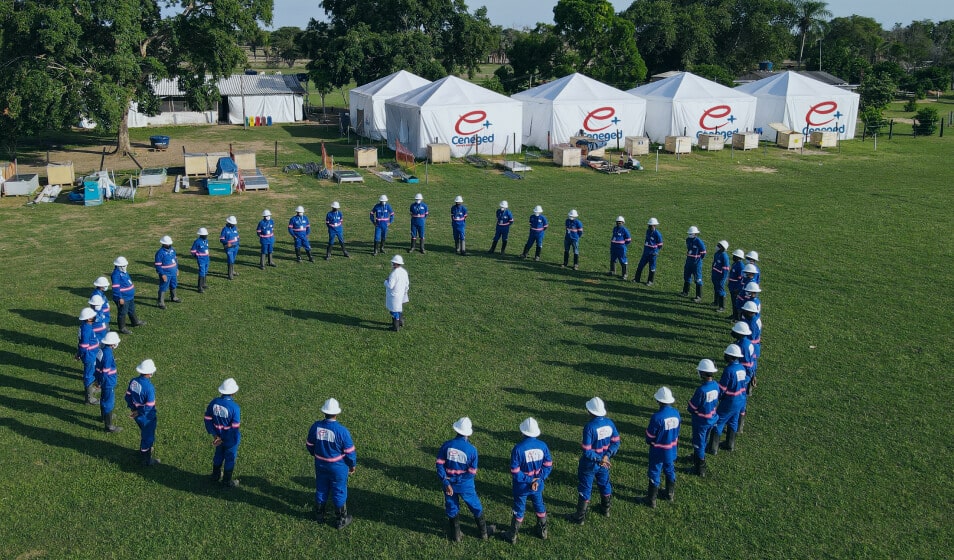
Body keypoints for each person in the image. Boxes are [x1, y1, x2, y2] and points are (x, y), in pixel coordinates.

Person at [436, 417, 491, 542]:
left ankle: (456, 535)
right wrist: (458, 479)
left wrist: (446, 481)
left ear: (456, 430)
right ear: (468, 433)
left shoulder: (447, 445)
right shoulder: (472, 450)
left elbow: (439, 464)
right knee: (475, 506)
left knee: (451, 506)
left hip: (449, 484)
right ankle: (484, 532)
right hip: (465, 484)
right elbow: (471, 472)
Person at [568, 397, 621, 525]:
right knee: (604, 483)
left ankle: (579, 517)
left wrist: (599, 458)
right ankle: (605, 509)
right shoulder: (610, 423)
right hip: (604, 463)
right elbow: (616, 442)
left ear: (590, 411)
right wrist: (606, 456)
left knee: (585, 487)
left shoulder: (589, 427)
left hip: (590, 464)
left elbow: (587, 450)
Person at [306, 397, 357, 529]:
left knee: (321, 488)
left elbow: (309, 445)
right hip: (338, 467)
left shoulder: (316, 427)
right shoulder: (342, 431)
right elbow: (350, 453)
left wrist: (316, 455)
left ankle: (319, 515)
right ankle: (341, 520)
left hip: (320, 464)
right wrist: (352, 465)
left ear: (324, 412)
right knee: (339, 490)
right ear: (336, 413)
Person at [505, 417, 553, 544]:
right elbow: (548, 465)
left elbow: (515, 471)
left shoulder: (518, 449)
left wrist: (529, 479)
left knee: (519, 508)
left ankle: (512, 535)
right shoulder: (543, 446)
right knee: (539, 505)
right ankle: (543, 531)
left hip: (522, 487)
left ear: (523, 432)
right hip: (537, 485)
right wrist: (538, 479)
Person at [708, 344, 748, 456]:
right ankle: (730, 444)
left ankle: (713, 448)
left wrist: (717, 398)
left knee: (718, 422)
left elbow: (722, 388)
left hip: (730, 401)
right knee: (733, 421)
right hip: (741, 399)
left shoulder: (729, 370)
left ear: (730, 356)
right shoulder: (742, 368)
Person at [644, 387, 680, 508]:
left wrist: (650, 441)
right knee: (670, 468)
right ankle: (669, 493)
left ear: (659, 401)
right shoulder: (676, 413)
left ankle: (651, 499)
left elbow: (650, 436)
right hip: (672, 449)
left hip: (658, 450)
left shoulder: (657, 417)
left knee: (655, 471)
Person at [204, 378, 241, 488]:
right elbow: (234, 428)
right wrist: (225, 438)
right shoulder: (235, 408)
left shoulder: (214, 402)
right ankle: (226, 481)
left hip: (218, 437)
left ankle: (215, 475)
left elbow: (207, 419)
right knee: (230, 458)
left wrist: (215, 435)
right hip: (230, 439)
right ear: (233, 392)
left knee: (218, 455)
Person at [687, 359, 719, 477]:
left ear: (703, 373)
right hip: (712, 418)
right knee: (704, 440)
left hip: (701, 421)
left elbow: (692, 407)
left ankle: (700, 468)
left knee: (698, 443)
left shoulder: (701, 390)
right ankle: (697, 457)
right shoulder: (715, 385)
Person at [125, 359, 160, 466]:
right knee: (148, 437)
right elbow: (149, 406)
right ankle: (146, 459)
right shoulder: (149, 388)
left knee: (144, 433)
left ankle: (144, 450)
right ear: (150, 373)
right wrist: (139, 411)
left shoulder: (134, 381)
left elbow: (127, 396)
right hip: (146, 417)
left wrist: (134, 409)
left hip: (137, 414)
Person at [95, 331, 123, 433]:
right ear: (112, 344)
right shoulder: (108, 354)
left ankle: (104, 417)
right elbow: (105, 371)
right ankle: (109, 426)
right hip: (108, 382)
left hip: (102, 380)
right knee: (109, 402)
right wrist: (101, 382)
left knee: (103, 399)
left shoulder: (101, 351)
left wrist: (98, 380)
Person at [110, 256, 145, 335]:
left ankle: (135, 321)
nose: (125, 267)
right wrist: (120, 298)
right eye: (123, 266)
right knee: (122, 312)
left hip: (129, 296)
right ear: (118, 266)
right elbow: (116, 287)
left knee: (131, 309)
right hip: (123, 297)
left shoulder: (124, 272)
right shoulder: (116, 275)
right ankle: (122, 328)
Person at [75, 308, 100, 405]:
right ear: (89, 319)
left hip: (90, 354)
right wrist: (80, 354)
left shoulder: (85, 326)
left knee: (91, 373)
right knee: (89, 375)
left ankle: (89, 391)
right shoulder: (87, 329)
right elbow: (83, 345)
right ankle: (89, 399)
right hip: (90, 355)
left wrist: (78, 354)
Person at [634, 217, 663, 285]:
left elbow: (660, 244)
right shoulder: (648, 231)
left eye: (651, 225)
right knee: (640, 265)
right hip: (646, 252)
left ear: (655, 225)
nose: (649, 227)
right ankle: (637, 279)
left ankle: (650, 281)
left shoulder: (657, 234)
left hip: (652, 254)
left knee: (652, 267)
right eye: (649, 225)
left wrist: (655, 251)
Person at [154, 235, 181, 309]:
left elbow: (175, 260)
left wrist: (177, 269)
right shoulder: (160, 253)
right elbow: (158, 265)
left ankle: (174, 297)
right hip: (166, 273)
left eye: (169, 243)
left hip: (173, 272)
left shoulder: (173, 250)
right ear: (163, 244)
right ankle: (160, 302)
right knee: (163, 286)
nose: (169, 245)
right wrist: (162, 274)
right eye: (167, 244)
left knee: (174, 284)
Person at [742, 300, 762, 395]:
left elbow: (751, 337)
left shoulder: (753, 323)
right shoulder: (754, 319)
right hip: (754, 345)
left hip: (752, 346)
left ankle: (749, 385)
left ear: (750, 312)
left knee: (750, 365)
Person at [384, 255, 410, 331]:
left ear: (395, 263)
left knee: (394, 311)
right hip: (401, 294)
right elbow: (407, 283)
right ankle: (401, 322)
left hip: (394, 296)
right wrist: (405, 291)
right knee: (398, 308)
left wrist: (385, 281)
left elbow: (390, 285)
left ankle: (395, 327)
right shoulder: (404, 271)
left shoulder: (394, 274)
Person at [682, 225, 707, 302]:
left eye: (691, 233)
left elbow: (703, 252)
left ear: (695, 234)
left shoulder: (699, 241)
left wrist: (698, 259)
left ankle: (698, 296)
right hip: (689, 261)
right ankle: (685, 291)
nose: (690, 235)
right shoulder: (688, 240)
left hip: (696, 263)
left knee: (698, 278)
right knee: (687, 276)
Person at [711, 240, 730, 312]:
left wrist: (723, 278)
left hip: (721, 276)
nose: (717, 246)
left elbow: (726, 269)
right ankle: (716, 302)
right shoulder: (717, 254)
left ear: (722, 248)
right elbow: (714, 263)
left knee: (721, 289)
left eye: (719, 246)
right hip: (715, 274)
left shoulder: (724, 256)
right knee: (716, 288)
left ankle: (722, 306)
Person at [190, 228, 211, 293]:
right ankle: (199, 287)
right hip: (201, 259)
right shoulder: (197, 242)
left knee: (205, 271)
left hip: (206, 258)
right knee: (202, 271)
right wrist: (197, 256)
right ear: (201, 235)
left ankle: (203, 284)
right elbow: (193, 251)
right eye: (204, 235)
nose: (206, 236)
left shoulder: (206, 241)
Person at [728, 249, 746, 319]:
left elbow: (740, 279)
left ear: (738, 257)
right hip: (732, 287)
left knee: (737, 303)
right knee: (733, 302)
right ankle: (734, 315)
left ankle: (737, 317)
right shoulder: (735, 264)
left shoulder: (741, 266)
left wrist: (737, 289)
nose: (733, 257)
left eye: (735, 256)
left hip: (736, 288)